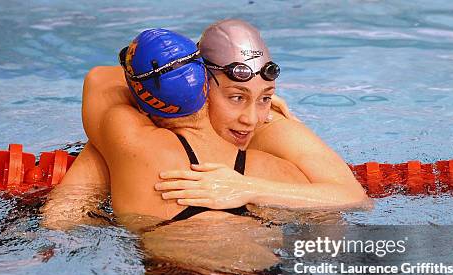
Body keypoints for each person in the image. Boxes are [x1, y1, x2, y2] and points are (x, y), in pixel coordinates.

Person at [42, 20, 370, 228]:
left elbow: (354, 198)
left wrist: (247, 187)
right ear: (202, 86)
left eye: (266, 97)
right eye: (236, 97)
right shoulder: (143, 137)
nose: (251, 118)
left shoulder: (275, 130)